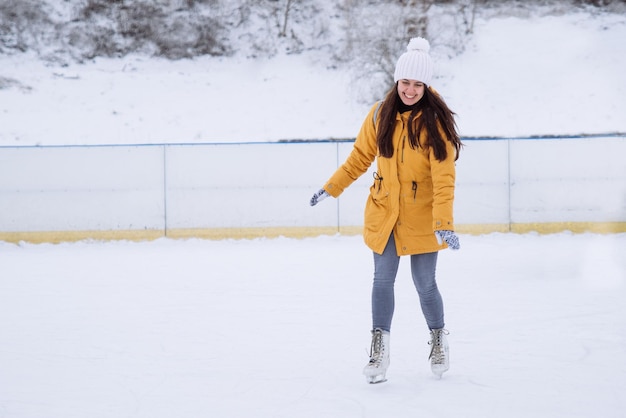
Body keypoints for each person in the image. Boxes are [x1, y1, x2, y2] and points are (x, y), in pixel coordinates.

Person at [309, 37, 462, 384]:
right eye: (405, 82)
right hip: (384, 212)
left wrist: (444, 223)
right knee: (381, 280)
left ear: (427, 85)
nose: (410, 90)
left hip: (423, 215)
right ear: (397, 81)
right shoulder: (380, 114)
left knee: (425, 284)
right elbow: (359, 158)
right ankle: (379, 352)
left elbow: (444, 178)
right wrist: (331, 187)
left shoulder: (435, 124)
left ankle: (438, 339)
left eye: (418, 84)